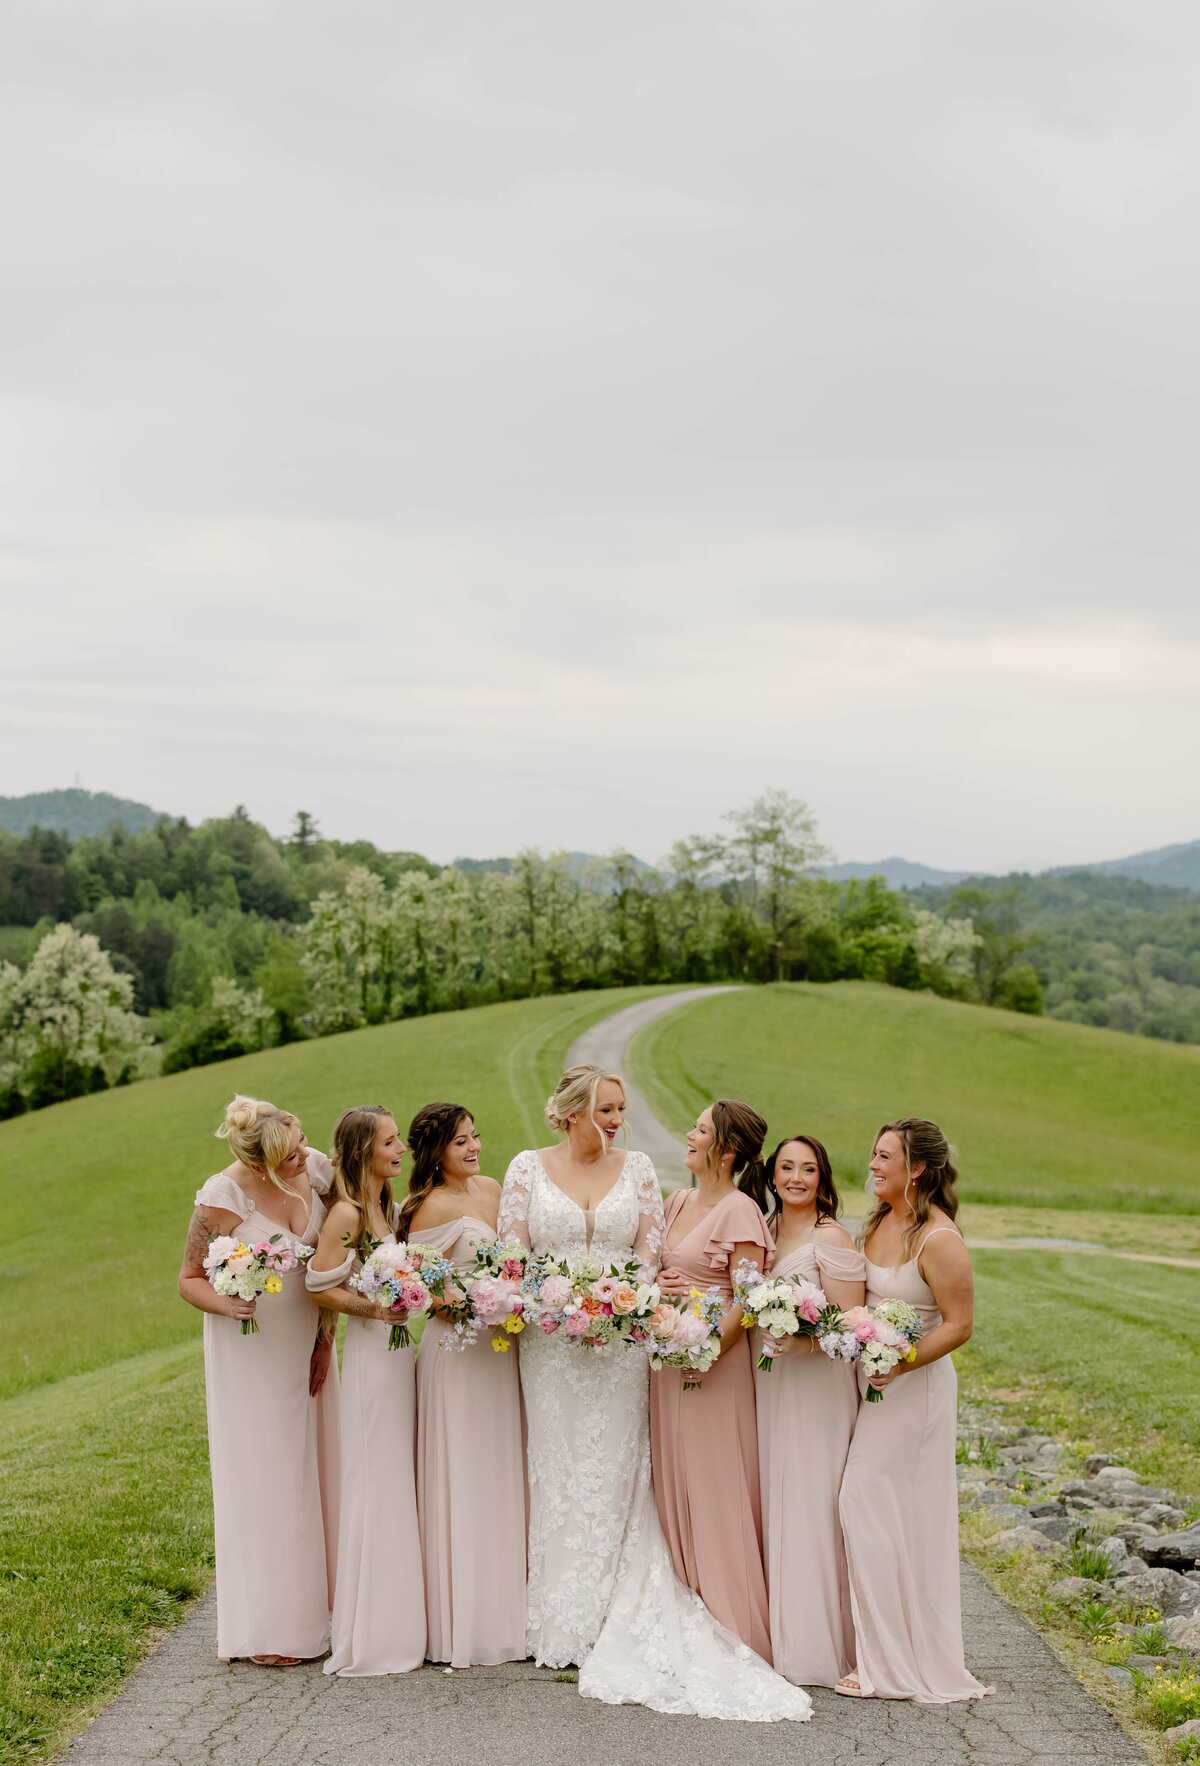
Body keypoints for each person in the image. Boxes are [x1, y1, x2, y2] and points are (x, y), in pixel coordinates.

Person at [497, 1064, 810, 1722]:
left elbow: (651, 1258)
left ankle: (616, 1611)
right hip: (551, 1346)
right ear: (575, 1111)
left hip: (624, 1344)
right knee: (556, 1469)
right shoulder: (528, 1167)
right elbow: (514, 1257)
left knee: (621, 1469)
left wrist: (625, 1300)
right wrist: (555, 1301)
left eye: (621, 1109)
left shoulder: (642, 1171)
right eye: (607, 1109)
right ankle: (557, 1619)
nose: (620, 1120)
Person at [178, 1094, 340, 1665]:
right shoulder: (223, 1196)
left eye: (301, 1142)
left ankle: (327, 1608)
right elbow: (189, 1279)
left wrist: (325, 1339)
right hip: (250, 1349)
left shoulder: (315, 1170)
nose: (304, 1156)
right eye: (290, 1155)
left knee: (316, 1467)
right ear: (256, 1163)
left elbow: (332, 1260)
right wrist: (230, 1306)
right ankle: (272, 1628)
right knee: (270, 1475)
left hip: (308, 1340)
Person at [836, 1118, 992, 1702]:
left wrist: (899, 1363)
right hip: (872, 1383)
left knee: (862, 1500)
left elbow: (959, 1325)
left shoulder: (938, 1238)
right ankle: (882, 1647)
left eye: (884, 1157)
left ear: (917, 1168)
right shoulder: (879, 1220)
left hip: (915, 1389)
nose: (872, 1165)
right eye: (874, 1155)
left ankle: (886, 1663)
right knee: (885, 1513)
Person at [650, 1100, 775, 1658]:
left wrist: (705, 1351)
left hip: (713, 1368)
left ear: (725, 1151)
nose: (689, 1135)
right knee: (674, 1479)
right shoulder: (677, 1201)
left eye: (700, 1130)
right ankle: (686, 1602)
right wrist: (659, 1289)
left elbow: (749, 1300)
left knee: (713, 1483)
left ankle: (731, 1620)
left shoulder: (741, 1212)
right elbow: (659, 1268)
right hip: (666, 1362)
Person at [306, 1106, 425, 1676]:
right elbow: (318, 1286)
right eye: (390, 1142)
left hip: (400, 1354)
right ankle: (374, 1629)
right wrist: (376, 1309)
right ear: (362, 1153)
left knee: (399, 1473)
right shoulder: (348, 1213)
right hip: (374, 1358)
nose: (400, 1149)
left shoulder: (387, 1208)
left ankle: (402, 1615)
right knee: (377, 1475)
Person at [407, 1101, 526, 1667]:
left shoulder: (493, 1187)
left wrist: (515, 1295)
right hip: (458, 1352)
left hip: (503, 1351)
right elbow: (420, 1291)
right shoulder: (428, 1207)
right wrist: (471, 1303)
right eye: (461, 1141)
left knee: (504, 1467)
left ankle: (511, 1611)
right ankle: (465, 1620)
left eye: (475, 1136)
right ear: (437, 1152)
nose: (475, 1147)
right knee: (466, 1471)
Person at [755, 1135, 865, 1687]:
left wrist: (802, 1343)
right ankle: (778, 1636)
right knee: (774, 1496)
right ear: (772, 1175)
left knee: (811, 1502)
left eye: (808, 1169)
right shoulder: (765, 1229)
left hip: (817, 1388)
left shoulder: (831, 1237)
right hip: (768, 1384)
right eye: (786, 1168)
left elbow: (852, 1327)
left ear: (822, 1179)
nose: (796, 1178)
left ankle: (821, 1646)